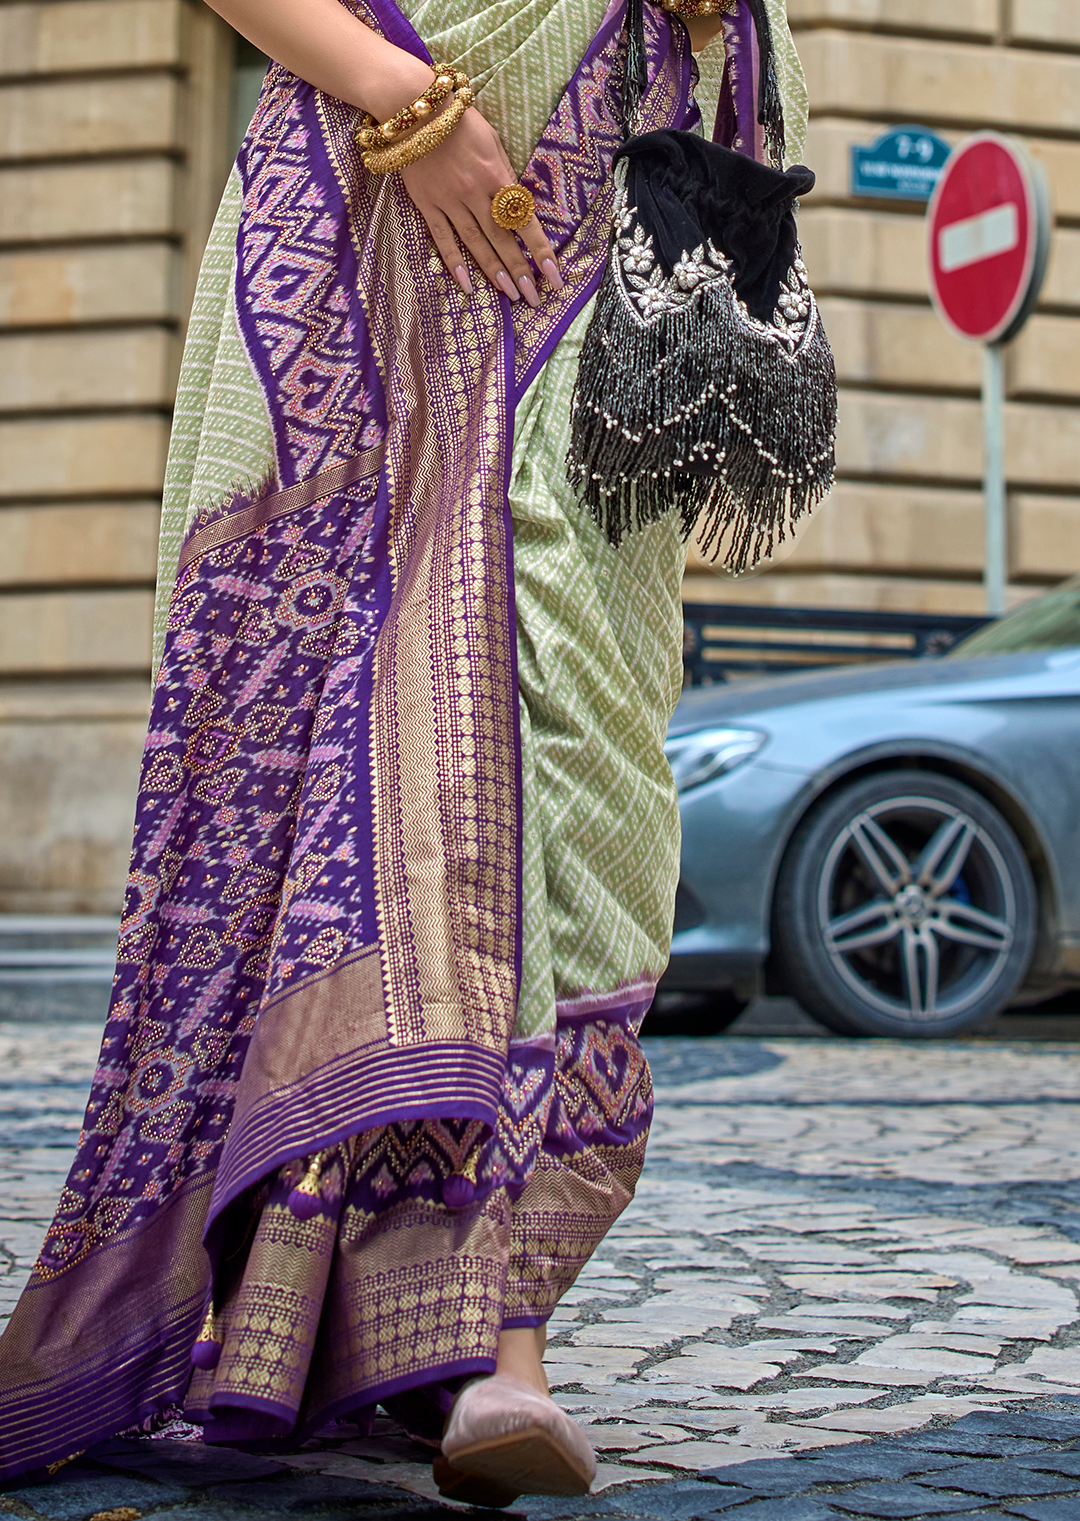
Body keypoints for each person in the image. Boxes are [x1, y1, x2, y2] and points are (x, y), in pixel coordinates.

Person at [0, 0, 806, 1499]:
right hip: (386, 204)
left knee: (588, 761)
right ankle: (493, 1351)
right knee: (409, 752)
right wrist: (402, 103)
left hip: (629, 213)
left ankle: (425, 1331)